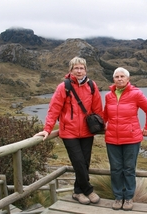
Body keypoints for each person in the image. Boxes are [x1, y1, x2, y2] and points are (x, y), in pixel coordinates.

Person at [34, 56, 103, 205]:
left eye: (81, 68)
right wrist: (47, 129)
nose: (79, 71)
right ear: (70, 70)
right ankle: (89, 190)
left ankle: (78, 192)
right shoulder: (63, 87)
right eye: (76, 68)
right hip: (69, 133)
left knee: (84, 163)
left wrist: (101, 125)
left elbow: (97, 109)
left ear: (86, 69)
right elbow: (54, 109)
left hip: (87, 132)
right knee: (78, 162)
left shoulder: (92, 85)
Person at [103, 67, 147, 211]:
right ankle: (118, 197)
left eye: (122, 76)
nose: (119, 79)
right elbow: (105, 115)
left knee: (129, 169)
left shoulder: (136, 94)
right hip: (112, 139)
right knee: (115, 169)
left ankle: (128, 198)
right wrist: (100, 125)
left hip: (132, 138)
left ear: (128, 79)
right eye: (117, 76)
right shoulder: (109, 96)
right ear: (113, 79)